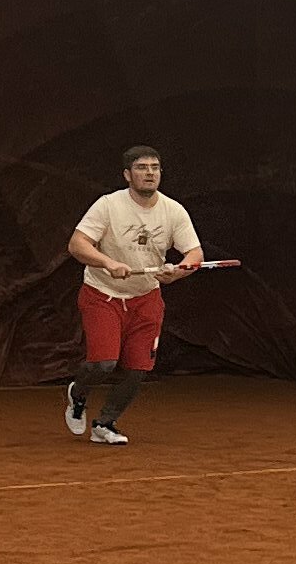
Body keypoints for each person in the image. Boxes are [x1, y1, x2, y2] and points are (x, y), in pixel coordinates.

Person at [66, 146, 202, 446]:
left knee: (139, 368)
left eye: (155, 167)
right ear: (127, 175)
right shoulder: (108, 205)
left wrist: (178, 272)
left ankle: (105, 423)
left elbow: (194, 254)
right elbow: (77, 244)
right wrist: (107, 263)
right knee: (103, 364)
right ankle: (78, 393)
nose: (149, 173)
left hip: (146, 298)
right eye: (141, 168)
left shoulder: (173, 210)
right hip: (103, 294)